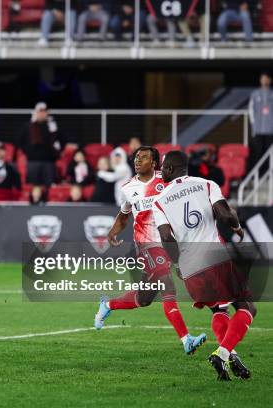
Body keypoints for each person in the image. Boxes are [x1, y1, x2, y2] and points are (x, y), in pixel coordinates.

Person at [95, 146, 207, 354]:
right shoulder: (128, 187)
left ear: (154, 163)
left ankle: (108, 305)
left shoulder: (166, 180)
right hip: (147, 245)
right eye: (136, 157)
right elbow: (124, 214)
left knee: (145, 298)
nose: (138, 161)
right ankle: (186, 339)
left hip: (170, 243)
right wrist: (113, 232)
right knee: (168, 286)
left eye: (143, 157)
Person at [153, 150, 254, 381]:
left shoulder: (159, 202)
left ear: (169, 169)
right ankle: (224, 352)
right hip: (214, 259)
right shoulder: (206, 184)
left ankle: (231, 355)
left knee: (219, 309)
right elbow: (225, 214)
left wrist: (178, 263)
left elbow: (166, 239)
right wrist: (237, 227)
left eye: (163, 169)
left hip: (190, 269)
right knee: (247, 306)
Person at [22, 102, 60, 190]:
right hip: (33, 162)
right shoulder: (28, 126)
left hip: (49, 162)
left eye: (44, 111)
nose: (42, 113)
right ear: (36, 112)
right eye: (40, 111)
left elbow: (60, 140)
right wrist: (29, 153)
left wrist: (55, 154)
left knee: (49, 187)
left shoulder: (53, 126)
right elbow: (21, 141)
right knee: (33, 187)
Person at [248, 71, 273, 170]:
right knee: (258, 152)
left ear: (270, 80)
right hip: (258, 130)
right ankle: (258, 173)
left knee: (269, 153)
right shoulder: (255, 94)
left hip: (270, 129)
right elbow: (251, 111)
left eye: (267, 78)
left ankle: (269, 173)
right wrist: (253, 127)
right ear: (260, 80)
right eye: (263, 78)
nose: (265, 81)